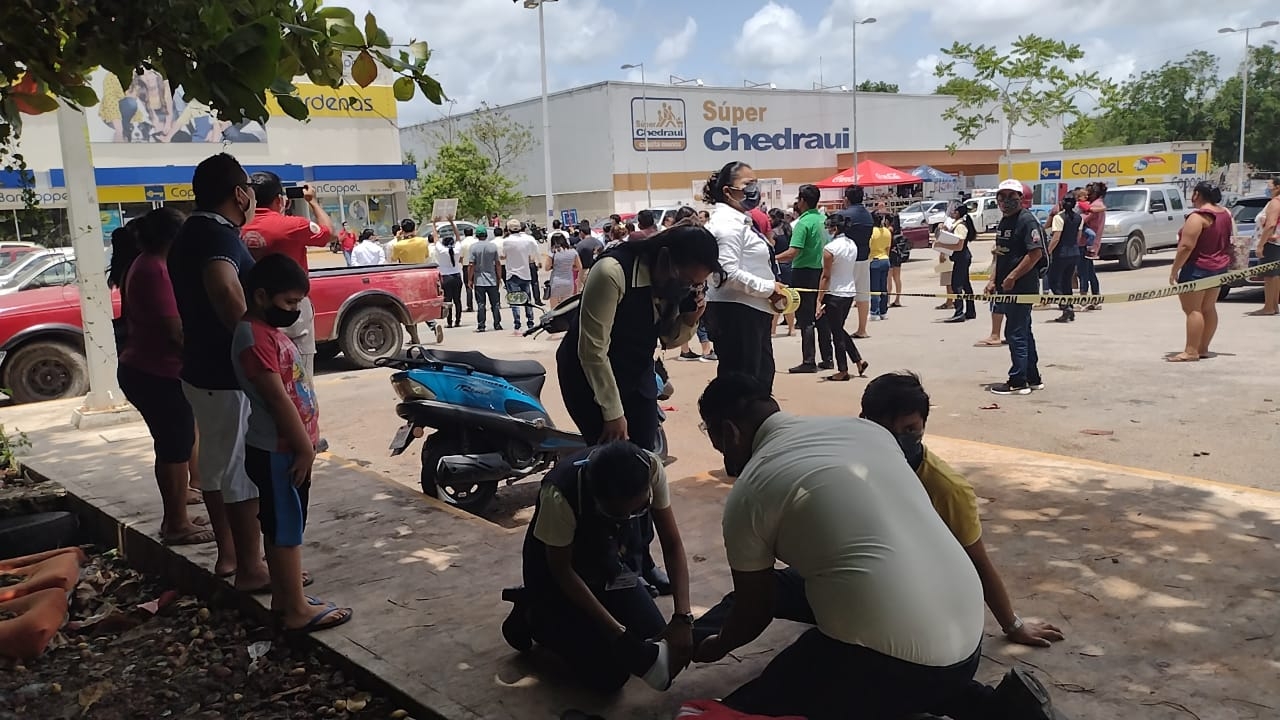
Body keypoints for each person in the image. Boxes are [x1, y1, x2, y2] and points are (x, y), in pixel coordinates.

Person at [691, 374, 1063, 720]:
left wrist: (717, 646)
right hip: (967, 646)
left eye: (712, 437)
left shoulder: (750, 492)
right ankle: (998, 708)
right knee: (895, 659)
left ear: (729, 431)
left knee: (745, 707)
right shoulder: (862, 432)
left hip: (893, 663)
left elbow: (753, 611)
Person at [557, 226, 720, 592]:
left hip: (636, 374)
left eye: (697, 284)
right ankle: (611, 564)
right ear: (665, 258)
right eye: (687, 278)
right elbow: (591, 350)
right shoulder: (612, 271)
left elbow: (667, 338)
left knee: (645, 470)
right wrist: (612, 413)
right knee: (611, 473)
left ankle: (641, 560)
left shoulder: (671, 285)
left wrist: (690, 320)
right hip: (589, 378)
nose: (688, 287)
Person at [861, 372, 1067, 648]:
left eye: (910, 430)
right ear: (864, 423)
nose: (899, 440)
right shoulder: (857, 459)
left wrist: (1013, 625)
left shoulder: (947, 490)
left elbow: (978, 561)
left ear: (923, 425)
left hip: (908, 597)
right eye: (887, 431)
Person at [501, 441, 693, 693]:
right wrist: (616, 632)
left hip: (607, 564)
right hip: (557, 576)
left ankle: (584, 622)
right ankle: (531, 614)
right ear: (596, 498)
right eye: (617, 515)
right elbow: (562, 570)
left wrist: (682, 618)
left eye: (638, 510)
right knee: (610, 676)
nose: (628, 520)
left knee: (655, 636)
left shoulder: (649, 468)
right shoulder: (560, 493)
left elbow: (671, 543)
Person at [232, 253, 351, 632]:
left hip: (285, 448)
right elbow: (277, 397)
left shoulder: (267, 332)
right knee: (285, 530)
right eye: (289, 303)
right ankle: (296, 610)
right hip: (279, 451)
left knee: (286, 524)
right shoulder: (253, 338)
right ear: (261, 295)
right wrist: (303, 448)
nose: (294, 311)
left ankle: (285, 597)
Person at [167, 152, 268, 589]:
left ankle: (229, 558)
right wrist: (256, 349)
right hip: (229, 375)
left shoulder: (191, 231)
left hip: (200, 370)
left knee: (215, 465)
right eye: (248, 188)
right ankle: (252, 567)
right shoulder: (219, 236)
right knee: (241, 472)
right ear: (240, 193)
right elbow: (224, 287)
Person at [112, 209, 210, 546]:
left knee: (175, 444)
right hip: (156, 372)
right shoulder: (155, 270)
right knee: (174, 448)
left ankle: (178, 515)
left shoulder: (148, 263)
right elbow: (174, 331)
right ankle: (175, 524)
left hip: (150, 369)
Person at [702, 161, 787, 392]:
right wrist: (769, 288)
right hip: (737, 314)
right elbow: (726, 273)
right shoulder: (727, 225)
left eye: (756, 183)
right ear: (728, 191)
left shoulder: (742, 221)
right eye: (748, 184)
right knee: (745, 386)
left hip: (751, 311)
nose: (755, 189)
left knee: (758, 379)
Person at [242, 174, 335, 381]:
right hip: (292, 308)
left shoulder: (236, 228)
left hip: (251, 307)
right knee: (299, 375)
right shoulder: (293, 225)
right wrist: (312, 201)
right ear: (278, 199)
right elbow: (329, 233)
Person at [985, 180, 1045, 396]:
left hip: (1022, 286)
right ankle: (1032, 376)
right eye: (1002, 196)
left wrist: (1012, 276)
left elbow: (1035, 253)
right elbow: (1000, 255)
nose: (1006, 201)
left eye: (1012, 196)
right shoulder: (1004, 222)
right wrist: (993, 279)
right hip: (1005, 287)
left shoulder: (1026, 221)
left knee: (1015, 332)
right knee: (1023, 332)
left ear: (1021, 198)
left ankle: (1018, 380)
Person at [1168, 181, 1232, 362]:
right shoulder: (1225, 213)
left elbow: (1186, 246)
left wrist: (1175, 269)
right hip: (1218, 267)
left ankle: (1191, 350)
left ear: (1196, 194)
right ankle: (1203, 347)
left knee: (1192, 310)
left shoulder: (1197, 217)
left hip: (1197, 268)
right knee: (1208, 308)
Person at [776, 184, 833, 373]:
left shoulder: (803, 223)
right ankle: (828, 358)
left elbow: (793, 252)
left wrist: (773, 257)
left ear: (803, 201)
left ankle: (808, 361)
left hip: (804, 272)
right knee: (822, 315)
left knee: (806, 318)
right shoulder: (824, 220)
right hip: (823, 271)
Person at [815, 214, 868, 381]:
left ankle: (843, 370)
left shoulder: (830, 249)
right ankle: (858, 360)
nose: (827, 230)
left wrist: (819, 299)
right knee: (838, 328)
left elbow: (826, 276)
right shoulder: (852, 244)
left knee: (836, 334)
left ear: (835, 229)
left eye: (829, 228)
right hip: (849, 292)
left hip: (834, 293)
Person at [835, 185, 874, 338]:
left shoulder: (844, 214)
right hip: (864, 256)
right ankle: (862, 329)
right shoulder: (868, 215)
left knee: (842, 294)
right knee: (863, 294)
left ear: (847, 198)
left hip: (846, 258)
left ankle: (838, 328)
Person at [1046, 194, 1082, 323]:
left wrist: (1047, 252)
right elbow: (1078, 236)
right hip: (1074, 253)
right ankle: (1070, 308)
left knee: (1053, 282)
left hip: (1061, 254)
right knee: (1067, 282)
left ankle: (1065, 307)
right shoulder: (1079, 218)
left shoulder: (1058, 218)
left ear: (1061, 203)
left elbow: (1056, 238)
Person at [501, 219, 540, 333]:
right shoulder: (527, 240)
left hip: (512, 274)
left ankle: (517, 325)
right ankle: (530, 322)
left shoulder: (506, 241)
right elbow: (533, 252)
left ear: (508, 229)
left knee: (514, 301)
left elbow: (503, 255)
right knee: (527, 299)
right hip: (525, 273)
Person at [1250, 176, 1280, 316]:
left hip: (1271, 243)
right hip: (1277, 242)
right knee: (1275, 275)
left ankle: (1269, 306)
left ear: (1277, 187)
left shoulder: (1275, 202)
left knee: (1269, 275)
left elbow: (1271, 224)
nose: (1267, 189)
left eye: (1269, 186)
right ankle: (1273, 305)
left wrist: (1261, 245)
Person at [944, 204, 978, 323]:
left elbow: (959, 245)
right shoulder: (956, 225)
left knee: (956, 285)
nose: (952, 213)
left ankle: (959, 312)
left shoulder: (960, 226)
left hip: (961, 257)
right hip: (962, 257)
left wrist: (943, 245)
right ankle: (970, 311)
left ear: (958, 213)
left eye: (954, 211)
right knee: (965, 284)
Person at [766, 207, 796, 338]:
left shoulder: (773, 233)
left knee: (776, 298)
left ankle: (772, 330)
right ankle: (792, 328)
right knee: (789, 297)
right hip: (790, 266)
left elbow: (771, 249)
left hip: (778, 267)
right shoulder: (789, 230)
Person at [469, 225, 503, 333]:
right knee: (495, 304)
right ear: (486, 235)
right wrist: (499, 277)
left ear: (477, 236)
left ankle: (481, 326)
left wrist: (469, 279)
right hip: (492, 279)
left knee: (481, 304)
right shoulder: (492, 246)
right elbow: (497, 263)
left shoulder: (473, 247)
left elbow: (471, 264)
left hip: (479, 280)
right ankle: (497, 324)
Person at [433, 217, 464, 328]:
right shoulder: (457, 250)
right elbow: (458, 238)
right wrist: (452, 222)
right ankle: (458, 321)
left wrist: (434, 224)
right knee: (457, 300)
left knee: (448, 300)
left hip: (445, 278)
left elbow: (435, 239)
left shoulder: (441, 251)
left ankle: (449, 321)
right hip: (456, 276)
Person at [1079, 182, 1106, 310]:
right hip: (1093, 243)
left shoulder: (1095, 205)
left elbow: (1082, 219)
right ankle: (1096, 298)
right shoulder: (1099, 204)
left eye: (1089, 193)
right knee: (1090, 272)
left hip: (1086, 244)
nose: (1088, 196)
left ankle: (1083, 299)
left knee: (1083, 272)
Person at [544, 231, 581, 309]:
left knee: (554, 308)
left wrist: (554, 266)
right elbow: (579, 267)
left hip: (556, 282)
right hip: (569, 281)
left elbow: (547, 268)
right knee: (566, 308)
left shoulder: (553, 251)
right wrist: (570, 267)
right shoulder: (573, 251)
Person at [868, 211, 893, 320]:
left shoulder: (872, 232)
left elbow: (869, 247)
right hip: (885, 259)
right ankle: (883, 311)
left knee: (874, 288)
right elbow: (888, 248)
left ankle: (874, 311)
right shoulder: (887, 231)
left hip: (874, 260)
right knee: (883, 287)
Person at [888, 214, 909, 308]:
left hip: (890, 254)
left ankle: (888, 300)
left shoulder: (889, 231)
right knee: (897, 278)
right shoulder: (898, 232)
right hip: (897, 254)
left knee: (888, 279)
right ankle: (897, 299)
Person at [459, 225, 479, 313]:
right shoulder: (477, 242)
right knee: (478, 286)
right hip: (477, 265)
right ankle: (480, 304)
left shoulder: (462, 243)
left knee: (468, 286)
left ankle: (470, 306)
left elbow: (460, 257)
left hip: (466, 266)